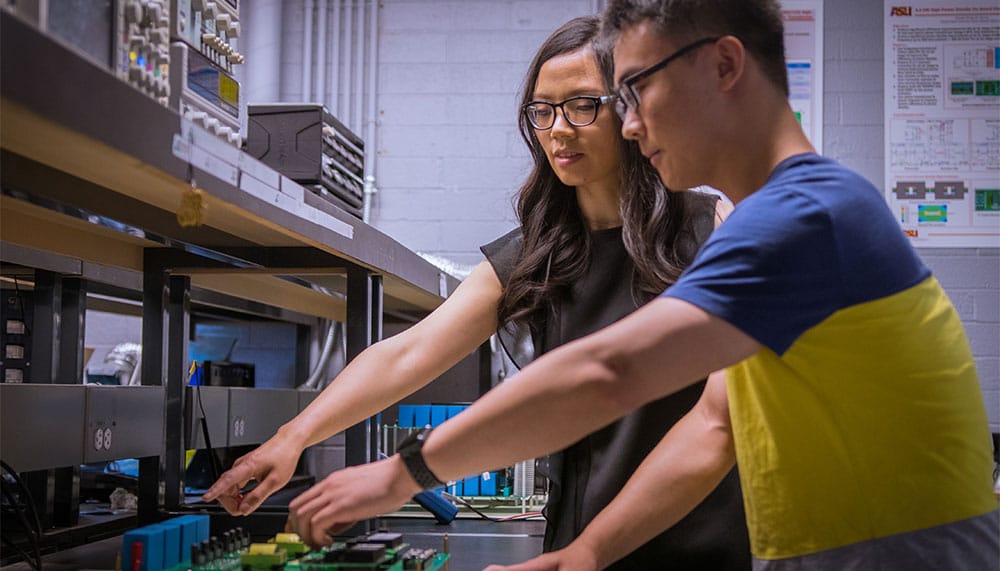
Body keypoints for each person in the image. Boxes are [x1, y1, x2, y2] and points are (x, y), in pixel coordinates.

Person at [284, 1, 1000, 569]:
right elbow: (716, 422)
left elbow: (609, 371)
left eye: (635, 89)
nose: (628, 124)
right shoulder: (772, 219)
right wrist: (587, 553)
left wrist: (399, 473)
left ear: (723, 64)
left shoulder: (804, 215)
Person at [205, 15, 749, 569]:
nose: (559, 129)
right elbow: (410, 352)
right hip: (576, 547)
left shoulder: (711, 230)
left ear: (628, 108)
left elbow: (712, 420)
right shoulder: (537, 252)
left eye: (583, 105)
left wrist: (403, 474)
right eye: (542, 110)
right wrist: (291, 437)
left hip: (697, 539)